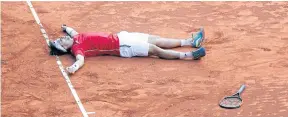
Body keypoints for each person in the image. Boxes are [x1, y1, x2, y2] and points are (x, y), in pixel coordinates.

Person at [49, 24, 206, 74]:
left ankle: (192, 42)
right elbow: (80, 60)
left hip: (123, 36)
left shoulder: (76, 37)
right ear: (64, 47)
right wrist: (74, 68)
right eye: (60, 41)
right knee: (155, 49)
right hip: (122, 46)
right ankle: (190, 55)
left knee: (157, 39)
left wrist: (66, 27)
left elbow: (71, 32)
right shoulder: (77, 48)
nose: (62, 38)